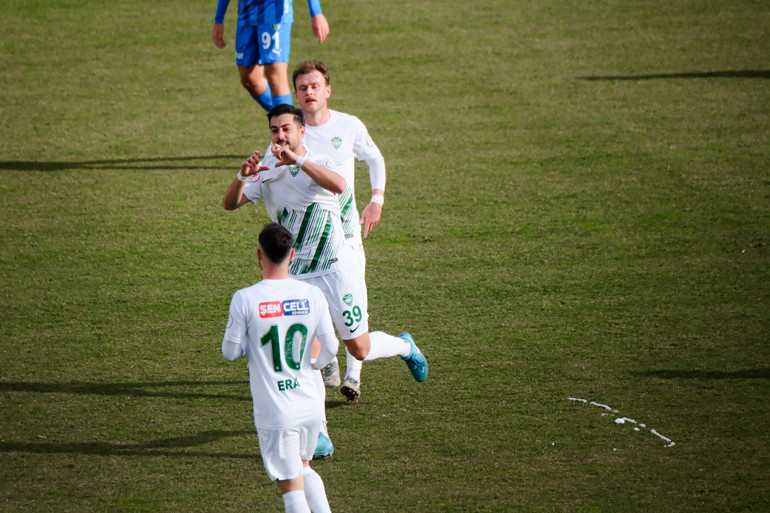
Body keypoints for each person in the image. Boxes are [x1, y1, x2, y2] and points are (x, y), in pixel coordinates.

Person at [223, 104, 428, 451]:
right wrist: (244, 175)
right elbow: (230, 204)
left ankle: (405, 346)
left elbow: (338, 184)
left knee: (359, 350)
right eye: (274, 130)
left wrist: (298, 161)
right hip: (300, 276)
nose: (280, 136)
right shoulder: (268, 169)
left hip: (336, 269)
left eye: (286, 129)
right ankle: (319, 432)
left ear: (301, 131)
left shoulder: (321, 159)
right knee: (308, 354)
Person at [222, 222, 336, 513]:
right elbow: (331, 347)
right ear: (292, 254)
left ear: (259, 255)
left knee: (290, 486)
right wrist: (314, 365)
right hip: (310, 405)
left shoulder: (245, 298)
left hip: (277, 410)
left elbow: (230, 352)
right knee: (304, 468)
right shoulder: (312, 295)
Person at [291, 60, 387, 402]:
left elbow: (375, 159)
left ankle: (354, 376)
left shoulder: (348, 126)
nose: (309, 92)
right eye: (303, 87)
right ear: (296, 94)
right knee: (317, 305)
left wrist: (377, 199)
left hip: (347, 235)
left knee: (351, 299)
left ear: (327, 90)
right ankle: (327, 360)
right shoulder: (294, 132)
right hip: (311, 242)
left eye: (315, 86)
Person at [212, 0, 330, 111]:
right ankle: (291, 119)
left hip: (274, 12)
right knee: (250, 79)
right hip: (246, 13)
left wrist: (316, 12)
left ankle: (289, 125)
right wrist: (219, 19)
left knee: (275, 76)